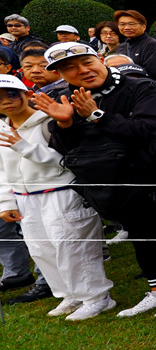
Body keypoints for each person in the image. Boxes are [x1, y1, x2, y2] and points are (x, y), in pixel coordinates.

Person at [37, 41, 156, 317]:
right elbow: (70, 150)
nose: (83, 71)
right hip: (112, 183)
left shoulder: (141, 87)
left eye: (86, 62)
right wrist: (65, 124)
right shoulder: (68, 97)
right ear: (61, 75)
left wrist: (96, 115)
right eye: (70, 68)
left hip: (155, 175)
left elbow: (148, 131)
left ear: (99, 58)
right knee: (139, 233)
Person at [0, 74, 109, 319]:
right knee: (42, 249)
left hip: (60, 192)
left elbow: (66, 162)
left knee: (73, 246)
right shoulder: (3, 127)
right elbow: (2, 171)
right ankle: (69, 295)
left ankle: (96, 297)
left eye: (12, 94)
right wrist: (6, 202)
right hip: (26, 198)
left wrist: (24, 147)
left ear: (27, 95)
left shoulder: (49, 122)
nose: (6, 101)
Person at [114, 10, 156, 81]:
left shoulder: (152, 45)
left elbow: (155, 75)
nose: (127, 27)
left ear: (143, 27)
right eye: (122, 24)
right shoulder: (121, 47)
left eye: (132, 24)